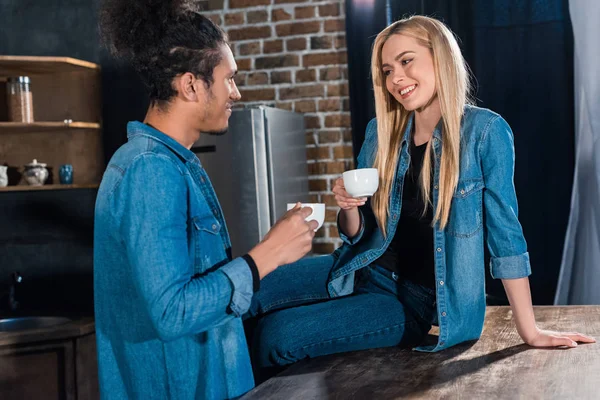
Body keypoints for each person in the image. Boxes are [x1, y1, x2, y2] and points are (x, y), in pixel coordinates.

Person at [246, 15, 595, 380]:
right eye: (386, 69)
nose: (395, 78)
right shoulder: (381, 133)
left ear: (439, 57)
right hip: (359, 267)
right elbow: (356, 234)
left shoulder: (485, 132)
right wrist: (348, 206)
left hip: (411, 301)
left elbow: (506, 237)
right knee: (251, 292)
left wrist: (530, 330)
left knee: (276, 336)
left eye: (406, 60)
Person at [93, 1, 318, 398]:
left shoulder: (173, 163)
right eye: (229, 78)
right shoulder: (150, 171)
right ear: (191, 85)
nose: (236, 91)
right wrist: (267, 254)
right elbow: (172, 312)